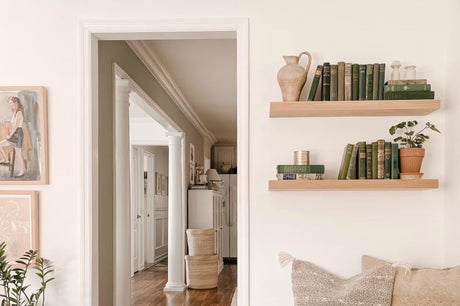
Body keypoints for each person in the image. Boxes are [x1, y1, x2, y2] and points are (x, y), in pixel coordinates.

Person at [0, 96, 25, 176]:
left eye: (11, 103)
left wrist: (10, 136)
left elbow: (16, 126)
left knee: (18, 154)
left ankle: (22, 171)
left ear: (15, 102)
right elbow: (13, 123)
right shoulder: (15, 111)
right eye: (10, 103)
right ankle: (6, 159)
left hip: (17, 134)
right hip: (15, 134)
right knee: (0, 144)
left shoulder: (19, 112)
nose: (10, 105)